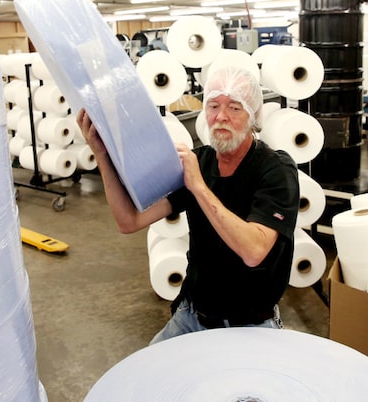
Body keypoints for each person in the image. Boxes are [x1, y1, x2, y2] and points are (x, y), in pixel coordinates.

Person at [77, 65, 299, 344]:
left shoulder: (275, 170)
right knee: (150, 377)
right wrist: (102, 156)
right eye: (213, 105)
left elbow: (254, 251)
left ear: (253, 115)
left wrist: (198, 187)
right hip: (192, 315)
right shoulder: (200, 162)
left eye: (234, 108)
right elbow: (129, 220)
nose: (221, 117)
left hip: (249, 324)